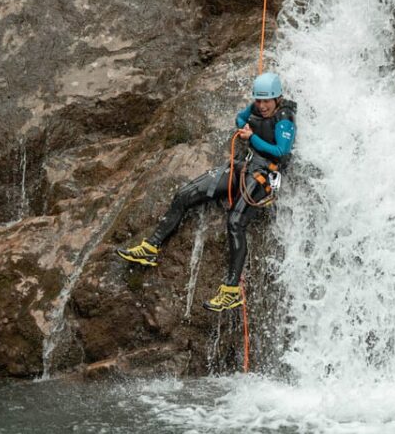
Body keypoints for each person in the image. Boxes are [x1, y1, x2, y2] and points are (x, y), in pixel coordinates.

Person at [116, 72, 297, 312]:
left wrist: (252, 138)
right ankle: (151, 247)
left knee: (235, 222)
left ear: (278, 98)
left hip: (265, 173)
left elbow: (282, 152)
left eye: (267, 101)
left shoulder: (284, 119)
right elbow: (240, 118)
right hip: (244, 165)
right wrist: (248, 113)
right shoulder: (256, 107)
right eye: (258, 100)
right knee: (185, 194)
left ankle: (232, 291)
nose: (262, 106)